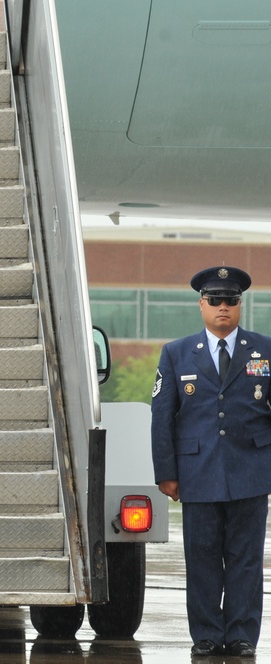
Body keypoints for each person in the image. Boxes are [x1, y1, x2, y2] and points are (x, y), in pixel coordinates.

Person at [151, 266, 271, 659]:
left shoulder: (264, 350)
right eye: (215, 300)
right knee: (201, 558)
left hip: (251, 471)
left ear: (240, 305)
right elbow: (163, 416)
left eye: (231, 300)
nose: (223, 307)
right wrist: (166, 473)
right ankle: (205, 634)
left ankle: (240, 636)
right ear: (201, 304)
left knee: (246, 560)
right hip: (197, 474)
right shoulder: (177, 352)